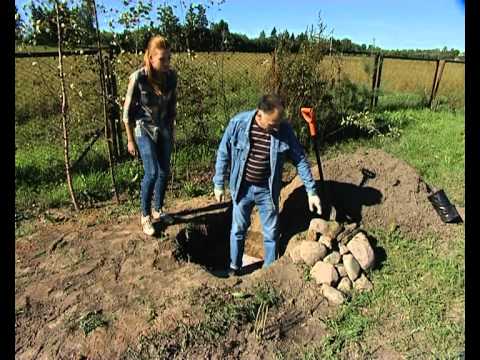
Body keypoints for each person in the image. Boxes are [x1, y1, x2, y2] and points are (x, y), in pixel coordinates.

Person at [213, 94, 322, 275]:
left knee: (271, 233)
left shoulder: (284, 130)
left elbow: (300, 160)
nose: (277, 127)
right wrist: (219, 182)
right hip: (242, 187)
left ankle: (269, 273)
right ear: (259, 115)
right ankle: (234, 267)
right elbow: (224, 152)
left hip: (267, 190)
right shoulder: (238, 124)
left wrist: (311, 191)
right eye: (273, 124)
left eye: (279, 122)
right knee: (238, 229)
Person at [122, 35, 177, 236]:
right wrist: (130, 140)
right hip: (143, 129)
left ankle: (158, 209)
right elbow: (126, 114)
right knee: (152, 172)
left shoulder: (172, 77)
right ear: (151, 58)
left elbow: (171, 109)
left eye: (168, 58)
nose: (166, 63)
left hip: (163, 129)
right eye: (162, 59)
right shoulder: (139, 78)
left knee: (164, 171)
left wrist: (171, 132)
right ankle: (145, 216)